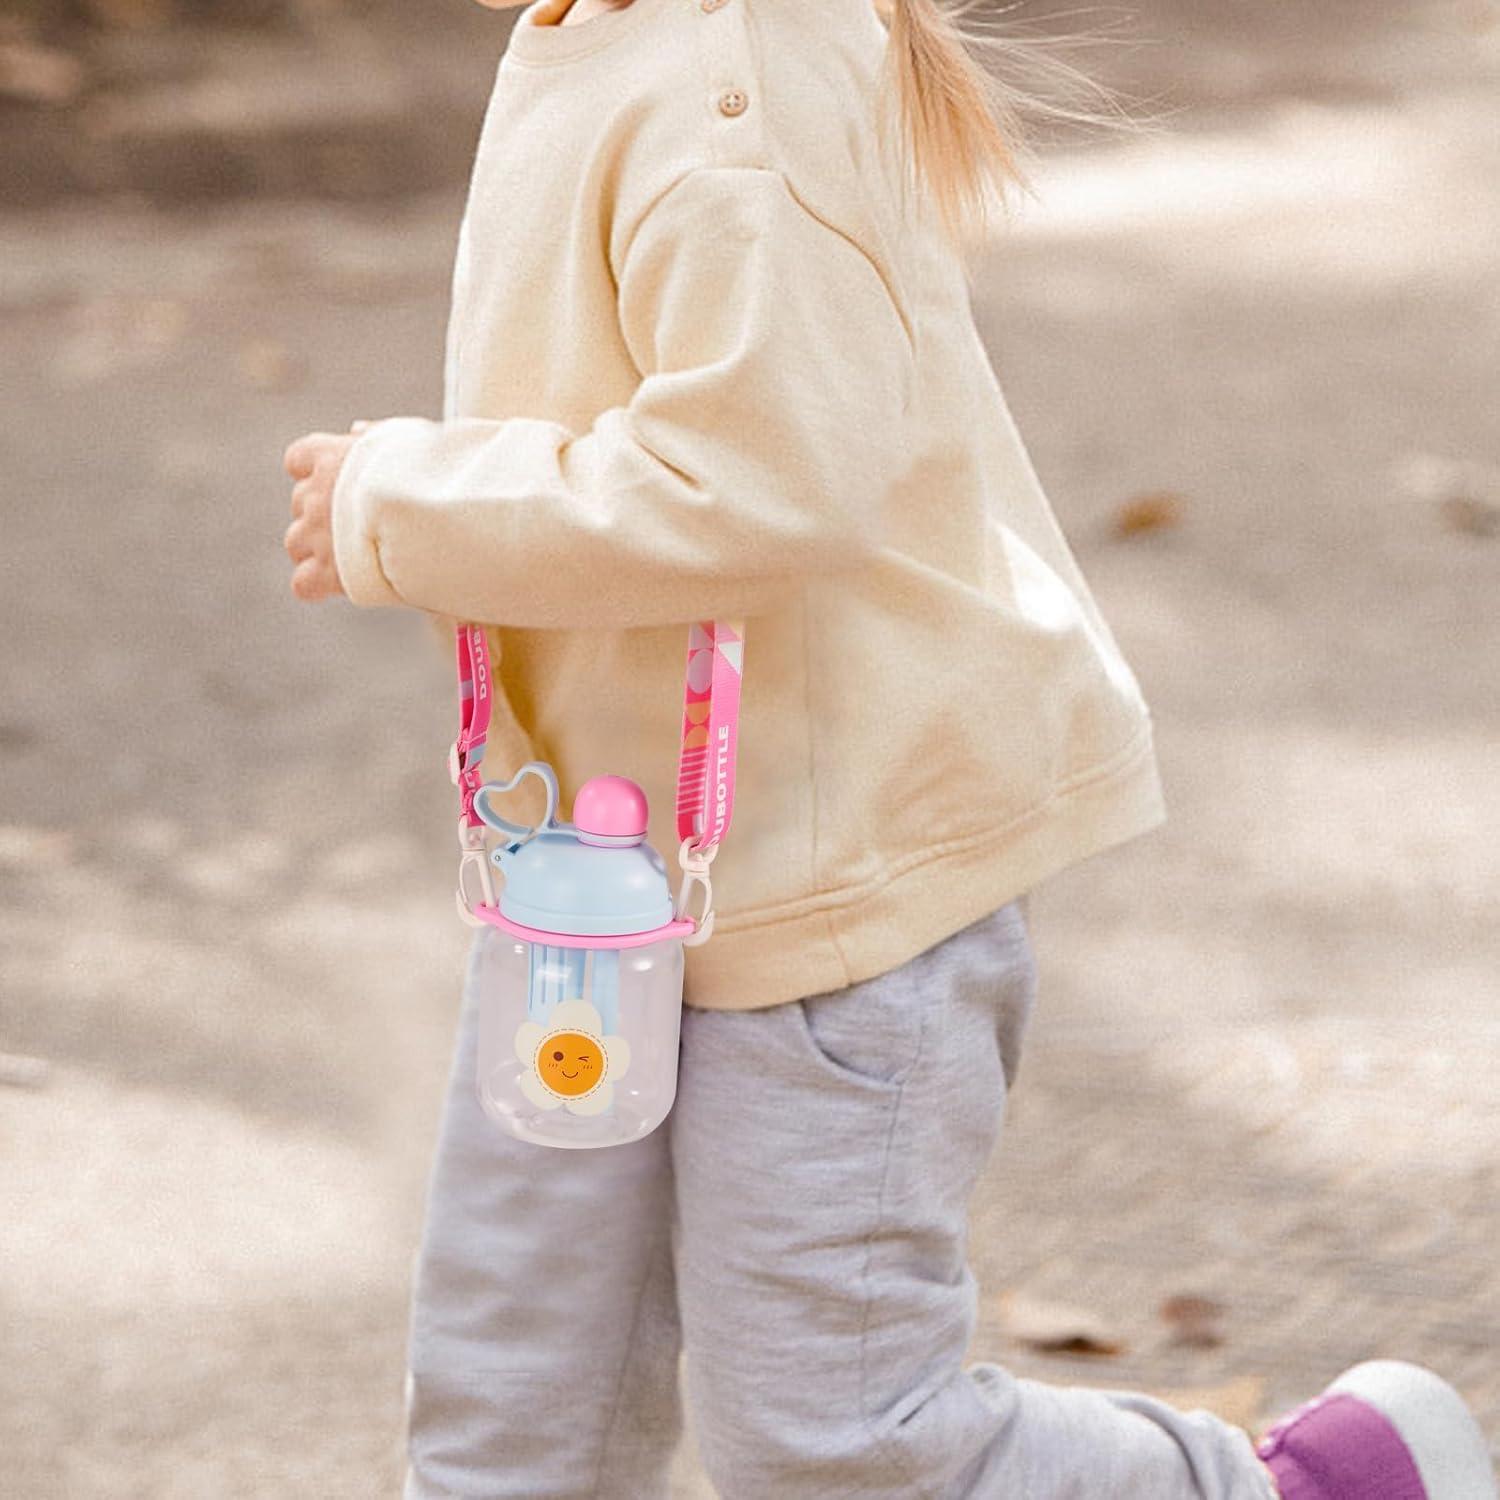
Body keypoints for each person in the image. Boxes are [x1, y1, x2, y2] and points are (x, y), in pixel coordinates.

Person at [281, 0, 1497, 1493]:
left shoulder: (734, 74)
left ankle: (1295, 1488)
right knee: (514, 1404)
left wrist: (406, 508)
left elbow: (763, 483)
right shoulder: (595, 35)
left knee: (834, 1444)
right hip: (595, 887)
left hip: (826, 892)